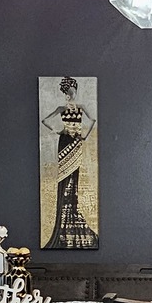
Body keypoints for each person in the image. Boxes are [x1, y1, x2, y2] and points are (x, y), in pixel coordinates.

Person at [41, 76, 98, 249]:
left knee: (75, 179)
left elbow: (93, 120)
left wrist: (84, 137)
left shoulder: (80, 107)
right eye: (68, 90)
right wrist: (59, 130)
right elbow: (45, 120)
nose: (71, 93)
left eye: (72, 89)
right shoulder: (61, 108)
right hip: (65, 142)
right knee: (63, 179)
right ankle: (62, 222)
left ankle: (74, 213)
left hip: (75, 143)